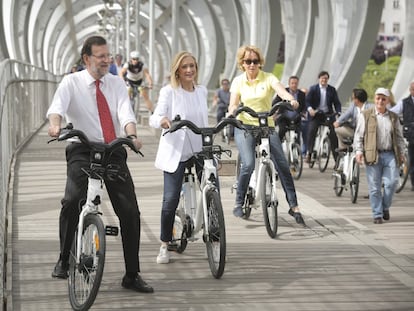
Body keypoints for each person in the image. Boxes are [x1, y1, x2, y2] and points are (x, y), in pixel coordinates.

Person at [46, 36, 153, 293]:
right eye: (101, 56)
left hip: (113, 148)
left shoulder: (116, 83)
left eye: (108, 55)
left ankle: (132, 274)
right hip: (82, 147)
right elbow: (56, 108)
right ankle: (63, 258)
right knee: (72, 201)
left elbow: (125, 113)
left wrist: (132, 135)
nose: (107, 60)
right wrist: (55, 125)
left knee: (129, 211)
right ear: (87, 59)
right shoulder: (71, 82)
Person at [227, 45, 305, 225]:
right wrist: (232, 111)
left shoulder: (268, 78)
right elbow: (233, 103)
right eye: (248, 61)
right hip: (245, 125)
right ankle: (239, 202)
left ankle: (294, 207)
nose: (252, 64)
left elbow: (281, 90)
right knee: (247, 164)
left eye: (255, 61)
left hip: (266, 125)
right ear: (242, 63)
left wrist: (290, 99)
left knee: (282, 164)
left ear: (260, 62)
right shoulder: (238, 81)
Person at [149, 51, 209, 264]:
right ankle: (165, 243)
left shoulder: (202, 91)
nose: (189, 70)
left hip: (200, 149)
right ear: (177, 70)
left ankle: (215, 235)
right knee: (170, 199)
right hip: (177, 153)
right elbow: (153, 118)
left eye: (192, 66)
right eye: (184, 67)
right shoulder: (169, 92)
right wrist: (163, 120)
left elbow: (204, 119)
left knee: (213, 190)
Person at [354, 88, 405, 224]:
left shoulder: (393, 117)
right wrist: (359, 152)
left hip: (390, 154)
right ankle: (377, 214)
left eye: (383, 99)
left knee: (392, 182)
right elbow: (359, 136)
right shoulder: (365, 115)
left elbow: (399, 137)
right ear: (374, 99)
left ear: (388, 101)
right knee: (374, 187)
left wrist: (402, 153)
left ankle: (385, 207)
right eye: (378, 98)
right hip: (372, 155)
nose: (380, 101)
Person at [305, 71, 342, 162]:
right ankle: (309, 153)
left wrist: (338, 111)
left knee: (333, 134)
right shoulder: (313, 89)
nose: (324, 80)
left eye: (326, 78)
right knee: (312, 131)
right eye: (322, 78)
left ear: (328, 79)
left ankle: (336, 158)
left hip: (328, 114)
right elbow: (307, 101)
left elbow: (337, 103)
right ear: (319, 79)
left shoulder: (332, 89)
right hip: (316, 114)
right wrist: (310, 109)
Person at [390, 81, 414, 191]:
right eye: (412, 89)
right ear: (410, 90)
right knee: (412, 158)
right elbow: (392, 112)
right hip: (410, 134)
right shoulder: (404, 102)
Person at [273, 75, 306, 143]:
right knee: (282, 130)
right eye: (292, 83)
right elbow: (275, 103)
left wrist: (303, 112)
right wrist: (275, 113)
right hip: (284, 117)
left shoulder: (301, 94)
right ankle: (279, 145)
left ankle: (297, 149)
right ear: (289, 83)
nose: (294, 85)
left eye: (296, 83)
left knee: (300, 132)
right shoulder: (283, 92)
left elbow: (304, 105)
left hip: (296, 118)